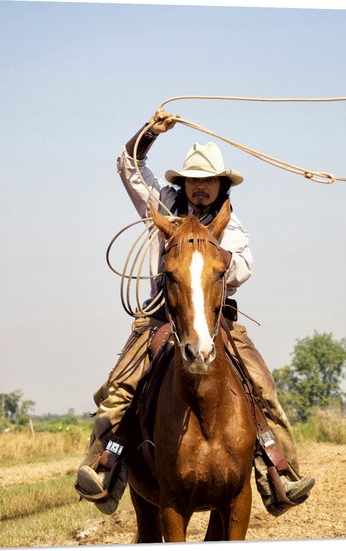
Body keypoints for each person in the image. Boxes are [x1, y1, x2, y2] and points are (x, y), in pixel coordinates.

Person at [75, 109, 315, 516]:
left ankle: (279, 472)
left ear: (221, 185)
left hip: (217, 321)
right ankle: (104, 465)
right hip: (160, 318)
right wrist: (150, 132)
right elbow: (128, 165)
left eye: (208, 181)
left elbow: (242, 268)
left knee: (262, 386)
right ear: (182, 183)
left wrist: (204, 251)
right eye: (193, 180)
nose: (200, 187)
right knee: (119, 388)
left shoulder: (231, 226)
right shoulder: (165, 205)